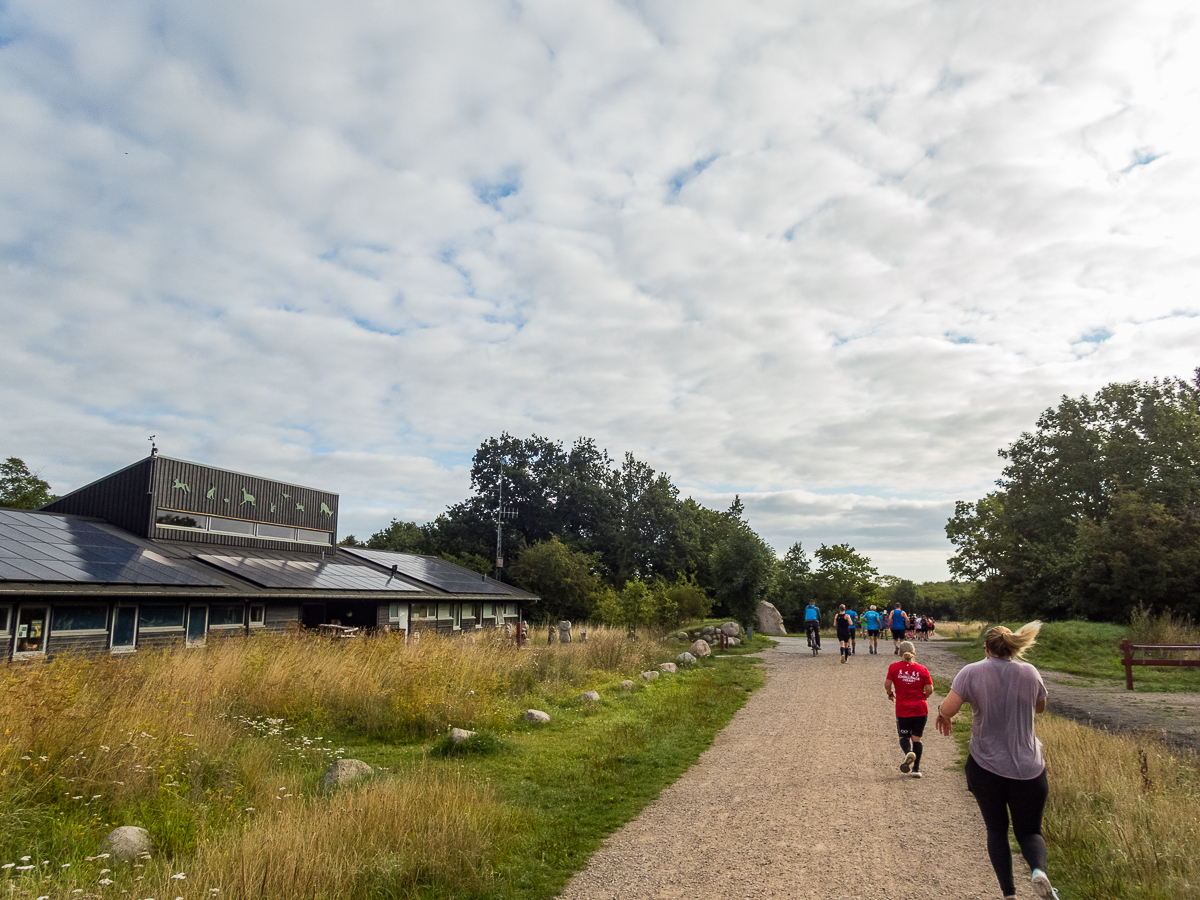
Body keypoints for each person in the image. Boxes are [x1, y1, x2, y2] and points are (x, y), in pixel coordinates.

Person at [936, 623, 1058, 900]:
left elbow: (949, 708)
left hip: (987, 766)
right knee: (1029, 831)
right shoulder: (1029, 672)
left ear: (986, 648)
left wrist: (942, 714)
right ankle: (1039, 871)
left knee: (996, 829)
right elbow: (1040, 706)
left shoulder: (971, 672)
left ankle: (1009, 894)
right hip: (1029, 767)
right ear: (1012, 647)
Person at [885, 640, 933, 777]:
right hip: (920, 708)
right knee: (917, 738)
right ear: (914, 652)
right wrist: (924, 696)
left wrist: (890, 694)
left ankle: (908, 753)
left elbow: (887, 684)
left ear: (899, 653)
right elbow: (930, 689)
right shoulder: (922, 669)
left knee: (904, 737)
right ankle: (916, 769)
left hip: (903, 708)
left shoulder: (894, 667)